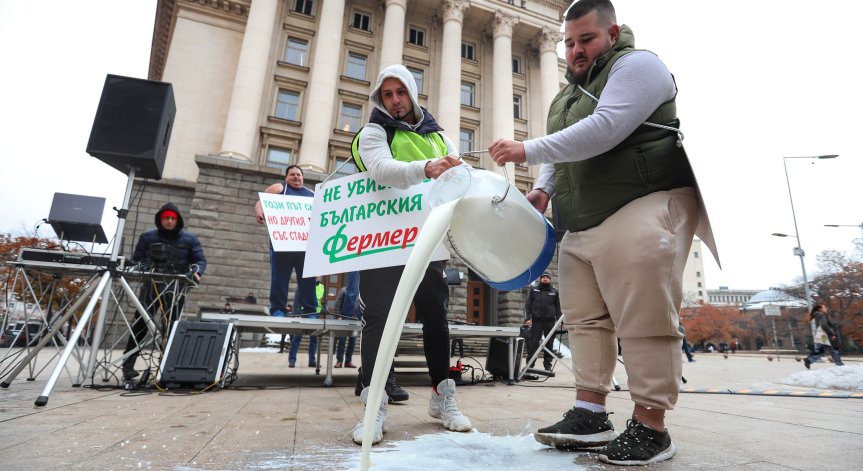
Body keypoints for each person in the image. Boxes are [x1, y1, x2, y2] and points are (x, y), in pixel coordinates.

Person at [488, 0, 718, 465]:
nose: (575, 50)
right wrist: (545, 192)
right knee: (584, 320)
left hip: (642, 199)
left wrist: (526, 150)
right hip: (582, 217)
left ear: (612, 32)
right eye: (568, 42)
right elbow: (563, 153)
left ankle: (652, 426)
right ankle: (590, 412)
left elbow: (607, 128)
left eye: (586, 39)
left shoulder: (639, 65)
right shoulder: (565, 94)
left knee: (644, 316)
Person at [349, 64, 469, 445]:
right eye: (387, 95)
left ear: (412, 94)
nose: (395, 101)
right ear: (380, 99)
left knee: (436, 316)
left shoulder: (439, 136)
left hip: (427, 240)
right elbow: (383, 169)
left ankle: (442, 395)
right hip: (382, 241)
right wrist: (429, 168)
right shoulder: (372, 131)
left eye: (401, 92)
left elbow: (458, 172)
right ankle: (375, 402)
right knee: (379, 319)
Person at [123, 203, 206, 381]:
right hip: (151, 287)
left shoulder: (190, 239)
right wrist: (138, 267)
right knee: (140, 325)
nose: (169, 221)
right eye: (166, 218)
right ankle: (128, 366)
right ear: (161, 219)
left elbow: (199, 260)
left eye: (173, 218)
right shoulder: (147, 237)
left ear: (178, 220)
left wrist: (196, 271)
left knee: (171, 327)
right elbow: (138, 260)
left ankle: (166, 365)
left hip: (176, 289)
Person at [254, 164, 317, 367]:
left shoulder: (312, 194)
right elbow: (261, 202)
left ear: (303, 177)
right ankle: (278, 309)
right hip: (282, 241)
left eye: (299, 174)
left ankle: (310, 311)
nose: (296, 177)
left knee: (307, 279)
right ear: (286, 177)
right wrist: (260, 213)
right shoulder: (279, 188)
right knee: (279, 277)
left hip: (304, 244)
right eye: (292, 174)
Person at [524, 272, 562, 371]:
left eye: (547, 277)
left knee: (549, 343)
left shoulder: (554, 291)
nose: (545, 279)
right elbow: (528, 306)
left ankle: (547, 365)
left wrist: (560, 320)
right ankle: (530, 364)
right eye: (543, 277)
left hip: (549, 322)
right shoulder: (534, 290)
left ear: (550, 280)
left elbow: (558, 307)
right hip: (537, 321)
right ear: (540, 279)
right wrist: (527, 318)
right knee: (533, 343)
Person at [287, 278, 323, 368]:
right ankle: (292, 360)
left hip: (315, 314)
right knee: (297, 338)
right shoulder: (303, 284)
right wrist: (295, 314)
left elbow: (321, 302)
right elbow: (296, 299)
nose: (319, 277)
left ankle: (312, 360)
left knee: (314, 338)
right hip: (303, 313)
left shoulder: (322, 287)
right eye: (317, 275)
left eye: (320, 275)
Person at [804, 303, 844, 368]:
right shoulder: (822, 316)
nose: (826, 309)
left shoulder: (818, 315)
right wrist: (832, 333)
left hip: (822, 336)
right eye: (824, 308)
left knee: (821, 350)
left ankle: (809, 360)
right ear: (820, 309)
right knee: (834, 349)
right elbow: (824, 325)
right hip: (827, 335)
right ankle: (839, 364)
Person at [334, 272, 359, 368]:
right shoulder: (343, 290)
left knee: (352, 342)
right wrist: (338, 316)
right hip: (344, 319)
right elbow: (337, 304)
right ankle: (339, 361)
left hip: (355, 320)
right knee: (342, 341)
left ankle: (348, 361)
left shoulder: (358, 292)